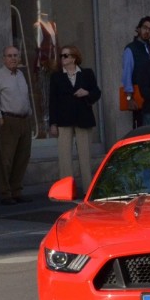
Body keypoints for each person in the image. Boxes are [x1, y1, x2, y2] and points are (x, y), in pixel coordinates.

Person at [47, 44, 101, 196]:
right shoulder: (56, 76)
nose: (62, 58)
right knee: (64, 157)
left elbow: (97, 93)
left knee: (85, 156)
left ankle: (88, 189)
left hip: (83, 118)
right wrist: (53, 123)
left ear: (74, 57)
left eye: (65, 55)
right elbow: (53, 101)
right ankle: (66, 190)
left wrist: (87, 93)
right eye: (61, 55)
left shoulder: (87, 73)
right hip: (63, 120)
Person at [0, 45, 33, 205]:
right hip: (8, 120)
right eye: (9, 56)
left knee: (22, 157)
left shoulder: (21, 74)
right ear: (4, 58)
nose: (13, 58)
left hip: (24, 120)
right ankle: (5, 193)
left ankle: (16, 190)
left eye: (15, 55)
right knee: (6, 158)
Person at [122, 16, 150, 128]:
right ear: (138, 29)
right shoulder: (131, 49)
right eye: (144, 27)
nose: (147, 31)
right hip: (139, 96)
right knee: (141, 128)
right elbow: (127, 75)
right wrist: (129, 98)